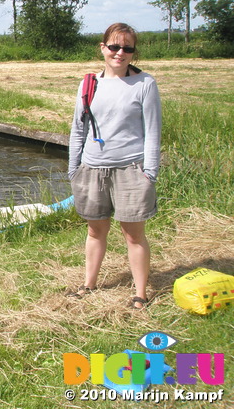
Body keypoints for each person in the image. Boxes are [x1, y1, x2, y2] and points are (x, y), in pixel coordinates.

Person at [67, 22, 162, 309]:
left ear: (133, 52)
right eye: (114, 46)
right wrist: (74, 168)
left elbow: (152, 131)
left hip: (131, 169)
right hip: (92, 168)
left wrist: (150, 173)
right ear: (103, 48)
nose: (120, 53)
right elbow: (77, 130)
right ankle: (89, 284)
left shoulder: (145, 84)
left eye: (127, 48)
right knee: (95, 231)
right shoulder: (88, 84)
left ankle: (140, 293)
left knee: (133, 235)